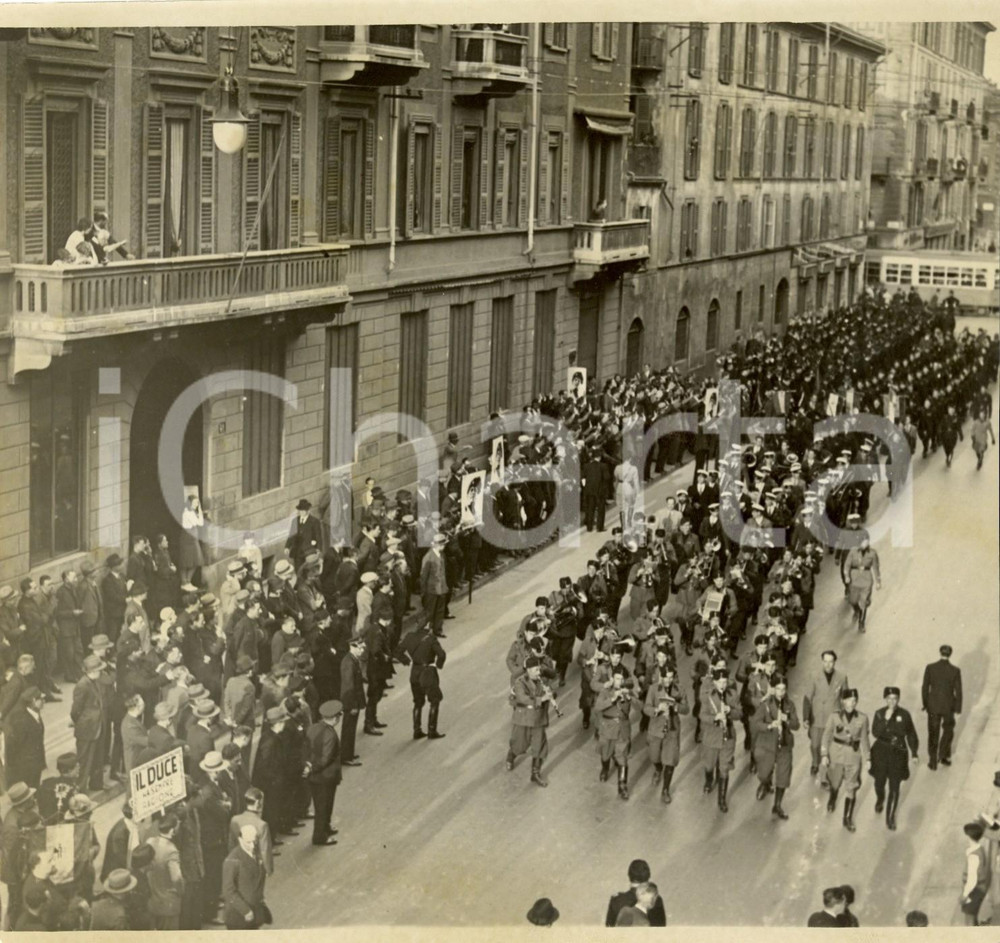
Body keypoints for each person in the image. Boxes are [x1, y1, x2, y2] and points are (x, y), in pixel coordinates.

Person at [820, 687, 871, 833]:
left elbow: (865, 740)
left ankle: (847, 818)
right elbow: (826, 735)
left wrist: (868, 758)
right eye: (848, 700)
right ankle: (833, 797)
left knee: (851, 788)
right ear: (842, 701)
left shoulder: (862, 718)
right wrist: (824, 755)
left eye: (854, 700)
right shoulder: (834, 717)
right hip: (836, 755)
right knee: (835, 783)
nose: (851, 703)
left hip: (853, 757)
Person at [870, 686, 919, 831]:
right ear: (885, 699)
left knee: (895, 786)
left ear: (898, 699)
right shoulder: (879, 714)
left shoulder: (905, 715)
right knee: (879, 783)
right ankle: (880, 798)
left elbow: (911, 734)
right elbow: (875, 733)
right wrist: (885, 720)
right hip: (881, 753)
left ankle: (890, 817)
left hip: (898, 753)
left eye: (895, 698)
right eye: (889, 698)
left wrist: (914, 752)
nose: (892, 701)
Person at [751, 674, 799, 820]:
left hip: (784, 745)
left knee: (783, 777)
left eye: (783, 689)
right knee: (764, 774)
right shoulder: (765, 704)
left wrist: (788, 720)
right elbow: (756, 723)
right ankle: (764, 783)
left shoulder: (789, 705)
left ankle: (777, 806)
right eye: (778, 689)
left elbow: (796, 725)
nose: (781, 692)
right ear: (773, 689)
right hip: (767, 745)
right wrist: (769, 725)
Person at [506, 655, 555, 788]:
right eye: (535, 670)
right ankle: (511, 755)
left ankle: (535, 773)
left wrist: (550, 694)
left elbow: (550, 690)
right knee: (519, 744)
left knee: (539, 746)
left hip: (538, 718)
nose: (538, 672)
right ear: (527, 670)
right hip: (523, 718)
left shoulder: (542, 680)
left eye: (539, 669)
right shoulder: (520, 682)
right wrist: (541, 699)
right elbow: (523, 698)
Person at [643, 661, 688, 804]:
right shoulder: (653, 689)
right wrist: (657, 710)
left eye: (671, 677)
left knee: (670, 760)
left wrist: (676, 706)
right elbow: (646, 708)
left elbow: (686, 709)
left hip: (672, 729)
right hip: (656, 728)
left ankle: (665, 790)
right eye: (665, 677)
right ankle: (657, 769)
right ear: (661, 677)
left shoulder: (679, 690)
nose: (668, 680)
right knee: (654, 756)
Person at [700, 668, 743, 813]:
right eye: (720, 682)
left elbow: (740, 714)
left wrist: (730, 710)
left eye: (725, 682)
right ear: (714, 682)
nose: (723, 685)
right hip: (712, 736)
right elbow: (702, 715)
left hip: (728, 736)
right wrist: (715, 718)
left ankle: (722, 800)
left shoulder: (732, 695)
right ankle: (708, 779)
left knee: (724, 768)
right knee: (709, 764)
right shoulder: (708, 696)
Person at [802, 650, 850, 780]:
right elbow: (807, 698)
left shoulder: (841, 677)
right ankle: (815, 762)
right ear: (822, 661)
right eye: (825, 661)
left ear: (834, 662)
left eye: (831, 661)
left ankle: (825, 769)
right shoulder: (814, 676)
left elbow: (846, 698)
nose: (828, 665)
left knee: (829, 745)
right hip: (817, 717)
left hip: (832, 718)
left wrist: (846, 717)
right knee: (815, 745)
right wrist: (806, 718)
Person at [304, 700, 343, 846]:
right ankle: (320, 837)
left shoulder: (313, 727)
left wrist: (308, 765)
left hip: (315, 777)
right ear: (334, 718)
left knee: (323, 804)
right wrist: (312, 767)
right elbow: (325, 758)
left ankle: (325, 827)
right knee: (323, 806)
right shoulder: (330, 735)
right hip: (325, 776)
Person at [72, 653, 110, 793]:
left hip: (98, 727)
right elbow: (75, 711)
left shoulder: (95, 681)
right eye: (99, 670)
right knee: (85, 761)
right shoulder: (82, 685)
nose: (101, 672)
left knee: (97, 758)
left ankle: (96, 784)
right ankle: (81, 789)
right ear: (92, 671)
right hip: (87, 729)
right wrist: (82, 722)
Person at [922, 644, 962, 770]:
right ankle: (943, 755)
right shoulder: (955, 670)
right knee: (948, 730)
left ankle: (932, 761)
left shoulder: (930, 667)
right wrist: (958, 708)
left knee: (933, 732)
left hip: (933, 706)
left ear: (940, 652)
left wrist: (925, 703)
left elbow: (924, 687)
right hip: (948, 706)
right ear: (950, 654)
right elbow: (958, 691)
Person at [222, 824, 269, 929]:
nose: (252, 846)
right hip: (239, 916)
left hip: (254, 912)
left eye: (254, 841)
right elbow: (228, 890)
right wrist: (245, 911)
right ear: (240, 839)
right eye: (248, 842)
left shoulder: (255, 852)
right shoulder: (232, 859)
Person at [146, 814, 184, 930]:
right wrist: (180, 891)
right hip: (168, 905)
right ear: (172, 830)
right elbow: (176, 878)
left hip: (152, 901)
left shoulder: (150, 841)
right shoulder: (171, 851)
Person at [5, 686, 47, 787]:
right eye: (41, 699)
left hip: (36, 763)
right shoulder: (21, 721)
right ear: (33, 701)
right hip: (26, 767)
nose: (44, 701)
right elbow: (12, 746)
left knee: (35, 787)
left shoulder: (35, 713)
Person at [605, 859, 667, 927]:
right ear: (648, 877)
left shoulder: (616, 900)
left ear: (629, 875)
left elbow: (609, 930)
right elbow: (661, 930)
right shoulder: (656, 900)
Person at [843, 532, 881, 631]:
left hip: (866, 580)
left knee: (863, 603)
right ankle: (857, 610)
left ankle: (861, 623)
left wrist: (878, 581)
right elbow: (846, 565)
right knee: (852, 601)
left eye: (866, 541)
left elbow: (876, 568)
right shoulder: (853, 551)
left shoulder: (873, 553)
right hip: (854, 579)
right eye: (863, 541)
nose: (865, 543)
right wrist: (847, 576)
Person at [420, 534, 450, 638]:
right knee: (429, 612)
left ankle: (438, 630)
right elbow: (423, 576)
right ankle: (427, 632)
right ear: (438, 545)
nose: (445, 546)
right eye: (443, 544)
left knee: (440, 610)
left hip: (442, 588)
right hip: (431, 590)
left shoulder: (441, 555)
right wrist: (423, 592)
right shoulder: (428, 557)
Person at [961, 821, 990, 926]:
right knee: (974, 915)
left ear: (969, 837)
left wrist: (964, 895)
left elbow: (972, 879)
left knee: (969, 918)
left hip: (974, 890)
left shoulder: (973, 856)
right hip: (979, 888)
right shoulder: (979, 848)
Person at [286, 499, 323, 572]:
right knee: (298, 569)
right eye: (300, 511)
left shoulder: (314, 521)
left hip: (309, 551)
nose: (301, 513)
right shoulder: (295, 521)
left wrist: (318, 549)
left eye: (303, 511)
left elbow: (318, 536)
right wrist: (287, 546)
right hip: (297, 551)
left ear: (308, 511)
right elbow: (291, 535)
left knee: (308, 569)